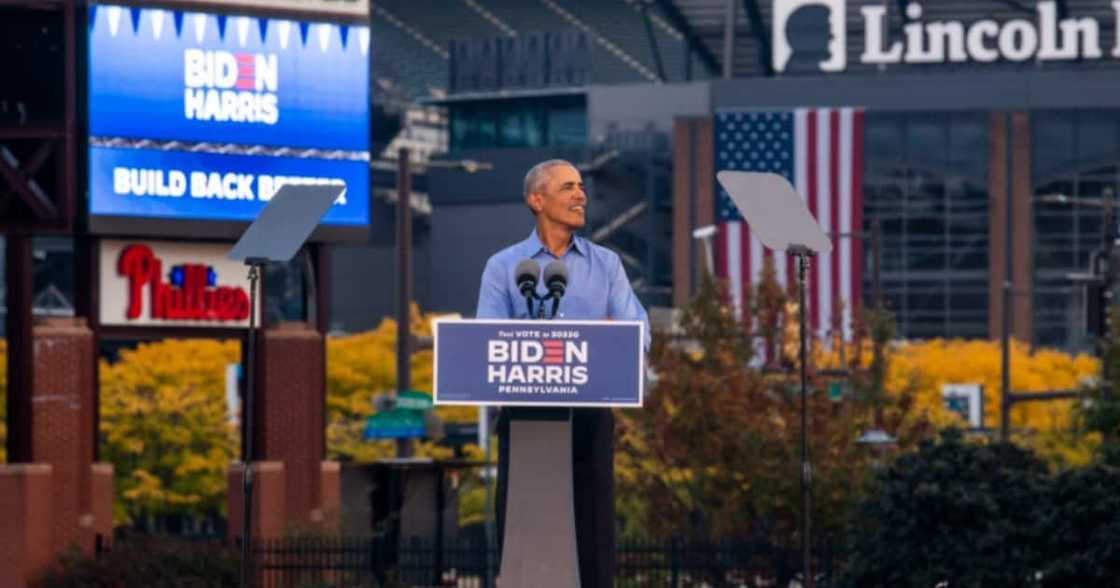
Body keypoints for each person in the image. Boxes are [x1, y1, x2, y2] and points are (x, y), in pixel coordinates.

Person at [475, 159, 650, 587]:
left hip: (590, 416)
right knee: (523, 531)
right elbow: (486, 340)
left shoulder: (606, 265)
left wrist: (613, 339)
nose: (581, 195)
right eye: (568, 186)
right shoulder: (503, 267)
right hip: (525, 417)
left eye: (582, 187)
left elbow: (639, 333)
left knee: (592, 532)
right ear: (537, 199)